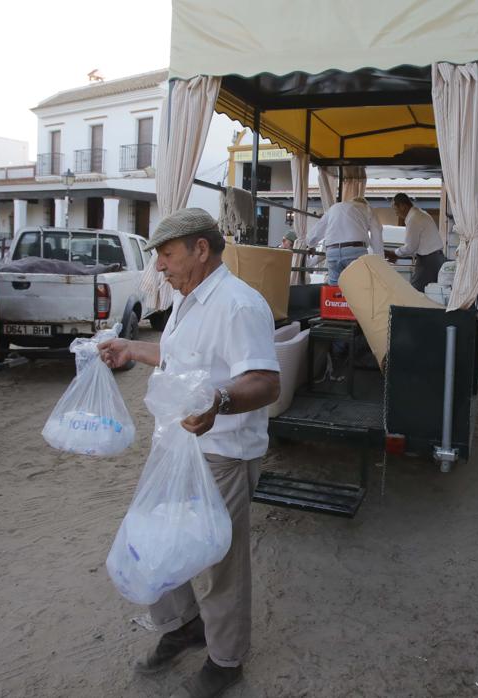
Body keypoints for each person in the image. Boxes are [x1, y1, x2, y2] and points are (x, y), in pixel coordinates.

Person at [98, 208, 280, 698]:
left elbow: (265, 382)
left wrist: (220, 402)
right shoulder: (189, 299)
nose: (159, 265)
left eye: (166, 253)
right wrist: (132, 350)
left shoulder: (239, 305)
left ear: (201, 249)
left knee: (220, 558)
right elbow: (185, 358)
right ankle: (182, 624)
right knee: (157, 535)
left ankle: (226, 659)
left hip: (221, 451)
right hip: (176, 444)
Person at [305, 196, 383, 285]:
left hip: (332, 252)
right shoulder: (367, 208)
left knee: (335, 289)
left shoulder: (334, 208)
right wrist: (379, 261)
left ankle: (335, 297)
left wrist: (311, 244)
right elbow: (376, 233)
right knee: (357, 287)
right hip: (355, 251)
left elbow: (317, 230)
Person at [384, 193, 446, 291]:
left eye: (395, 209)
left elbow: (410, 248)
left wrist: (394, 253)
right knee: (431, 293)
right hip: (436, 257)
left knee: (414, 292)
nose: (396, 213)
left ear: (403, 206)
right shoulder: (420, 213)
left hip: (428, 261)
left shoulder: (414, 219)